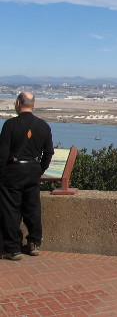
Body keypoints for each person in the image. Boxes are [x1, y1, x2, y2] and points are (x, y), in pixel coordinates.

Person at [0, 92, 54, 260]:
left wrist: (2, 172)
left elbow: (2, 154)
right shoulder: (43, 126)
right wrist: (40, 170)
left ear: (17, 103)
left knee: (10, 210)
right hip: (33, 171)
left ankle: (13, 248)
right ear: (33, 105)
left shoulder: (10, 125)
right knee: (32, 209)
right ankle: (33, 243)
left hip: (13, 171)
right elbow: (49, 152)